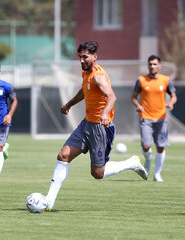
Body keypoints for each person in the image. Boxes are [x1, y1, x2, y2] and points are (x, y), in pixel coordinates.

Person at [45, 41, 148, 211]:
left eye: (85, 57)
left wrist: (106, 113)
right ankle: (49, 201)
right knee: (63, 156)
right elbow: (84, 91)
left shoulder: (99, 76)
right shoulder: (86, 74)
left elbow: (112, 96)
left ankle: (131, 163)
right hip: (86, 124)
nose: (81, 60)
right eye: (80, 57)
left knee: (97, 173)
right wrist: (69, 104)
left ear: (95, 56)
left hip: (100, 128)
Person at [131, 55, 177, 182]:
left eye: (155, 64)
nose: (152, 66)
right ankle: (148, 159)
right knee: (146, 146)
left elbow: (173, 96)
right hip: (145, 118)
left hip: (161, 119)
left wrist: (171, 103)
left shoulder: (166, 80)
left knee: (161, 147)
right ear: (148, 65)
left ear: (159, 66)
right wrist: (138, 105)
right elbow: (134, 97)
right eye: (150, 64)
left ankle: (157, 174)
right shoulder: (141, 80)